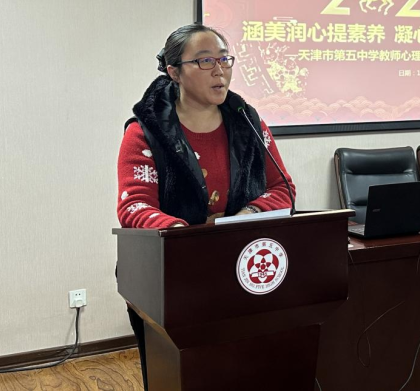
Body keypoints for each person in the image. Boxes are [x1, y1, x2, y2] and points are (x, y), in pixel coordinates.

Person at [116, 24, 295, 389]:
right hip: (172, 277)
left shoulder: (248, 122)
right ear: (174, 72)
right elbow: (134, 206)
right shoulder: (145, 131)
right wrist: (188, 238)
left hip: (241, 271)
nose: (219, 70)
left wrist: (245, 217)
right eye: (204, 61)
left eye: (224, 59)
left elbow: (283, 188)